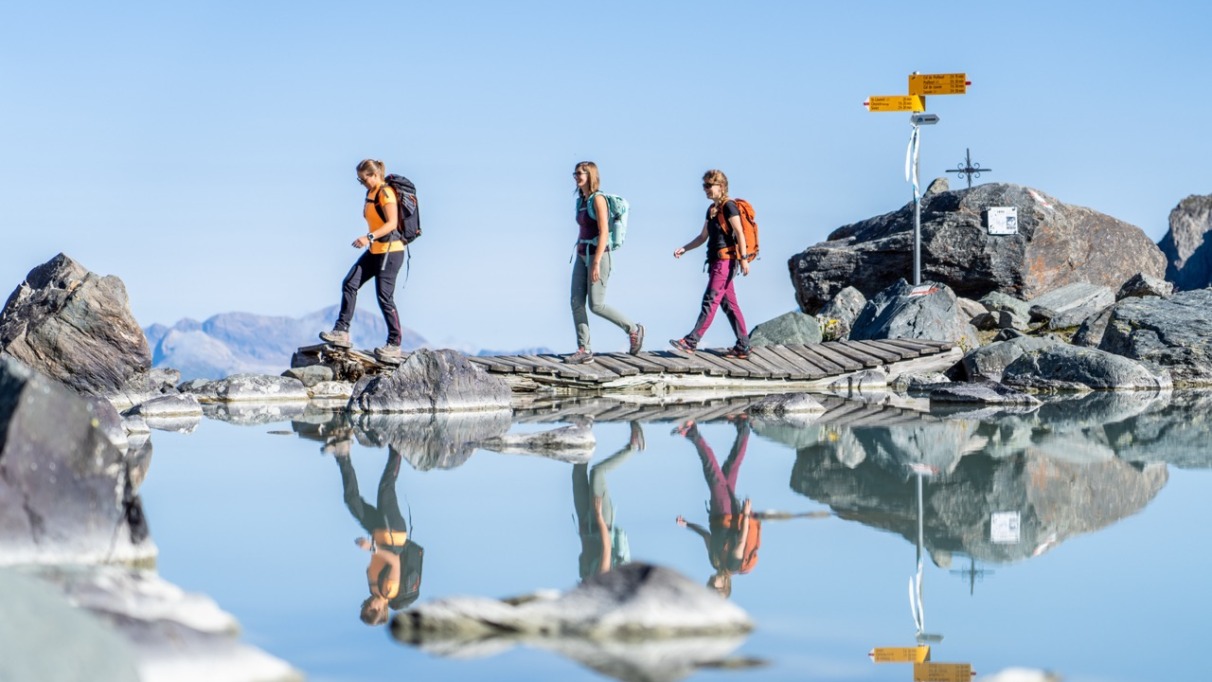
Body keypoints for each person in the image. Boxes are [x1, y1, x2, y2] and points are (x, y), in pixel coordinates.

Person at [318, 159, 407, 365]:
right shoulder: (370, 194)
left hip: (390, 251)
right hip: (376, 250)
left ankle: (394, 343)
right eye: (360, 181)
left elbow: (392, 223)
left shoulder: (385, 193)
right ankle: (341, 331)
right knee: (350, 283)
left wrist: (368, 237)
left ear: (375, 175)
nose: (363, 183)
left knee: (384, 297)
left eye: (364, 179)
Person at [332, 446, 423, 625]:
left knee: (352, 501)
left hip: (377, 531)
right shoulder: (389, 590)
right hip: (393, 532)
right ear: (379, 610)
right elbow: (394, 561)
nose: (366, 604)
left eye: (364, 607)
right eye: (369, 608)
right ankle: (398, 448)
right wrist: (371, 548)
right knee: (386, 487)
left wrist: (372, 545)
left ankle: (342, 454)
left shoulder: (373, 589)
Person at [566, 161, 644, 364]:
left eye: (581, 173)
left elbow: (604, 233)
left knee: (596, 305)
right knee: (576, 302)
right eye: (575, 173)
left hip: (598, 256)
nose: (577, 176)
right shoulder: (581, 200)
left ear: (590, 175)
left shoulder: (598, 199)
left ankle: (633, 329)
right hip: (582, 254)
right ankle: (584, 349)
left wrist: (596, 262)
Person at [674, 416, 761, 597]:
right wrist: (745, 514)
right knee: (713, 474)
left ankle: (743, 427)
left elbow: (707, 536)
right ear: (726, 586)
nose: (712, 583)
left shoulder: (715, 562)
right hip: (728, 514)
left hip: (718, 513)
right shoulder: (732, 566)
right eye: (716, 588)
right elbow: (742, 540)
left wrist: (688, 525)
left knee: (730, 467)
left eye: (709, 587)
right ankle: (693, 433)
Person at [670, 169, 751, 360]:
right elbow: (702, 237)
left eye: (709, 185)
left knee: (710, 299)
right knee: (729, 304)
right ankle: (743, 345)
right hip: (716, 261)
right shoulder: (712, 209)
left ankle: (691, 341)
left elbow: (739, 233)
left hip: (726, 261)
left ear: (720, 186)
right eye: (704, 185)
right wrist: (685, 248)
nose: (705, 189)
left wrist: (744, 259)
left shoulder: (729, 207)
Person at [572, 422, 644, 579]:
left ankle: (583, 430)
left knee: (578, 474)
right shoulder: (601, 579)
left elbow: (585, 553)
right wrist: (598, 516)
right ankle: (632, 446)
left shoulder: (588, 583)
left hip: (586, 524)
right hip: (601, 520)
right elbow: (606, 548)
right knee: (597, 473)